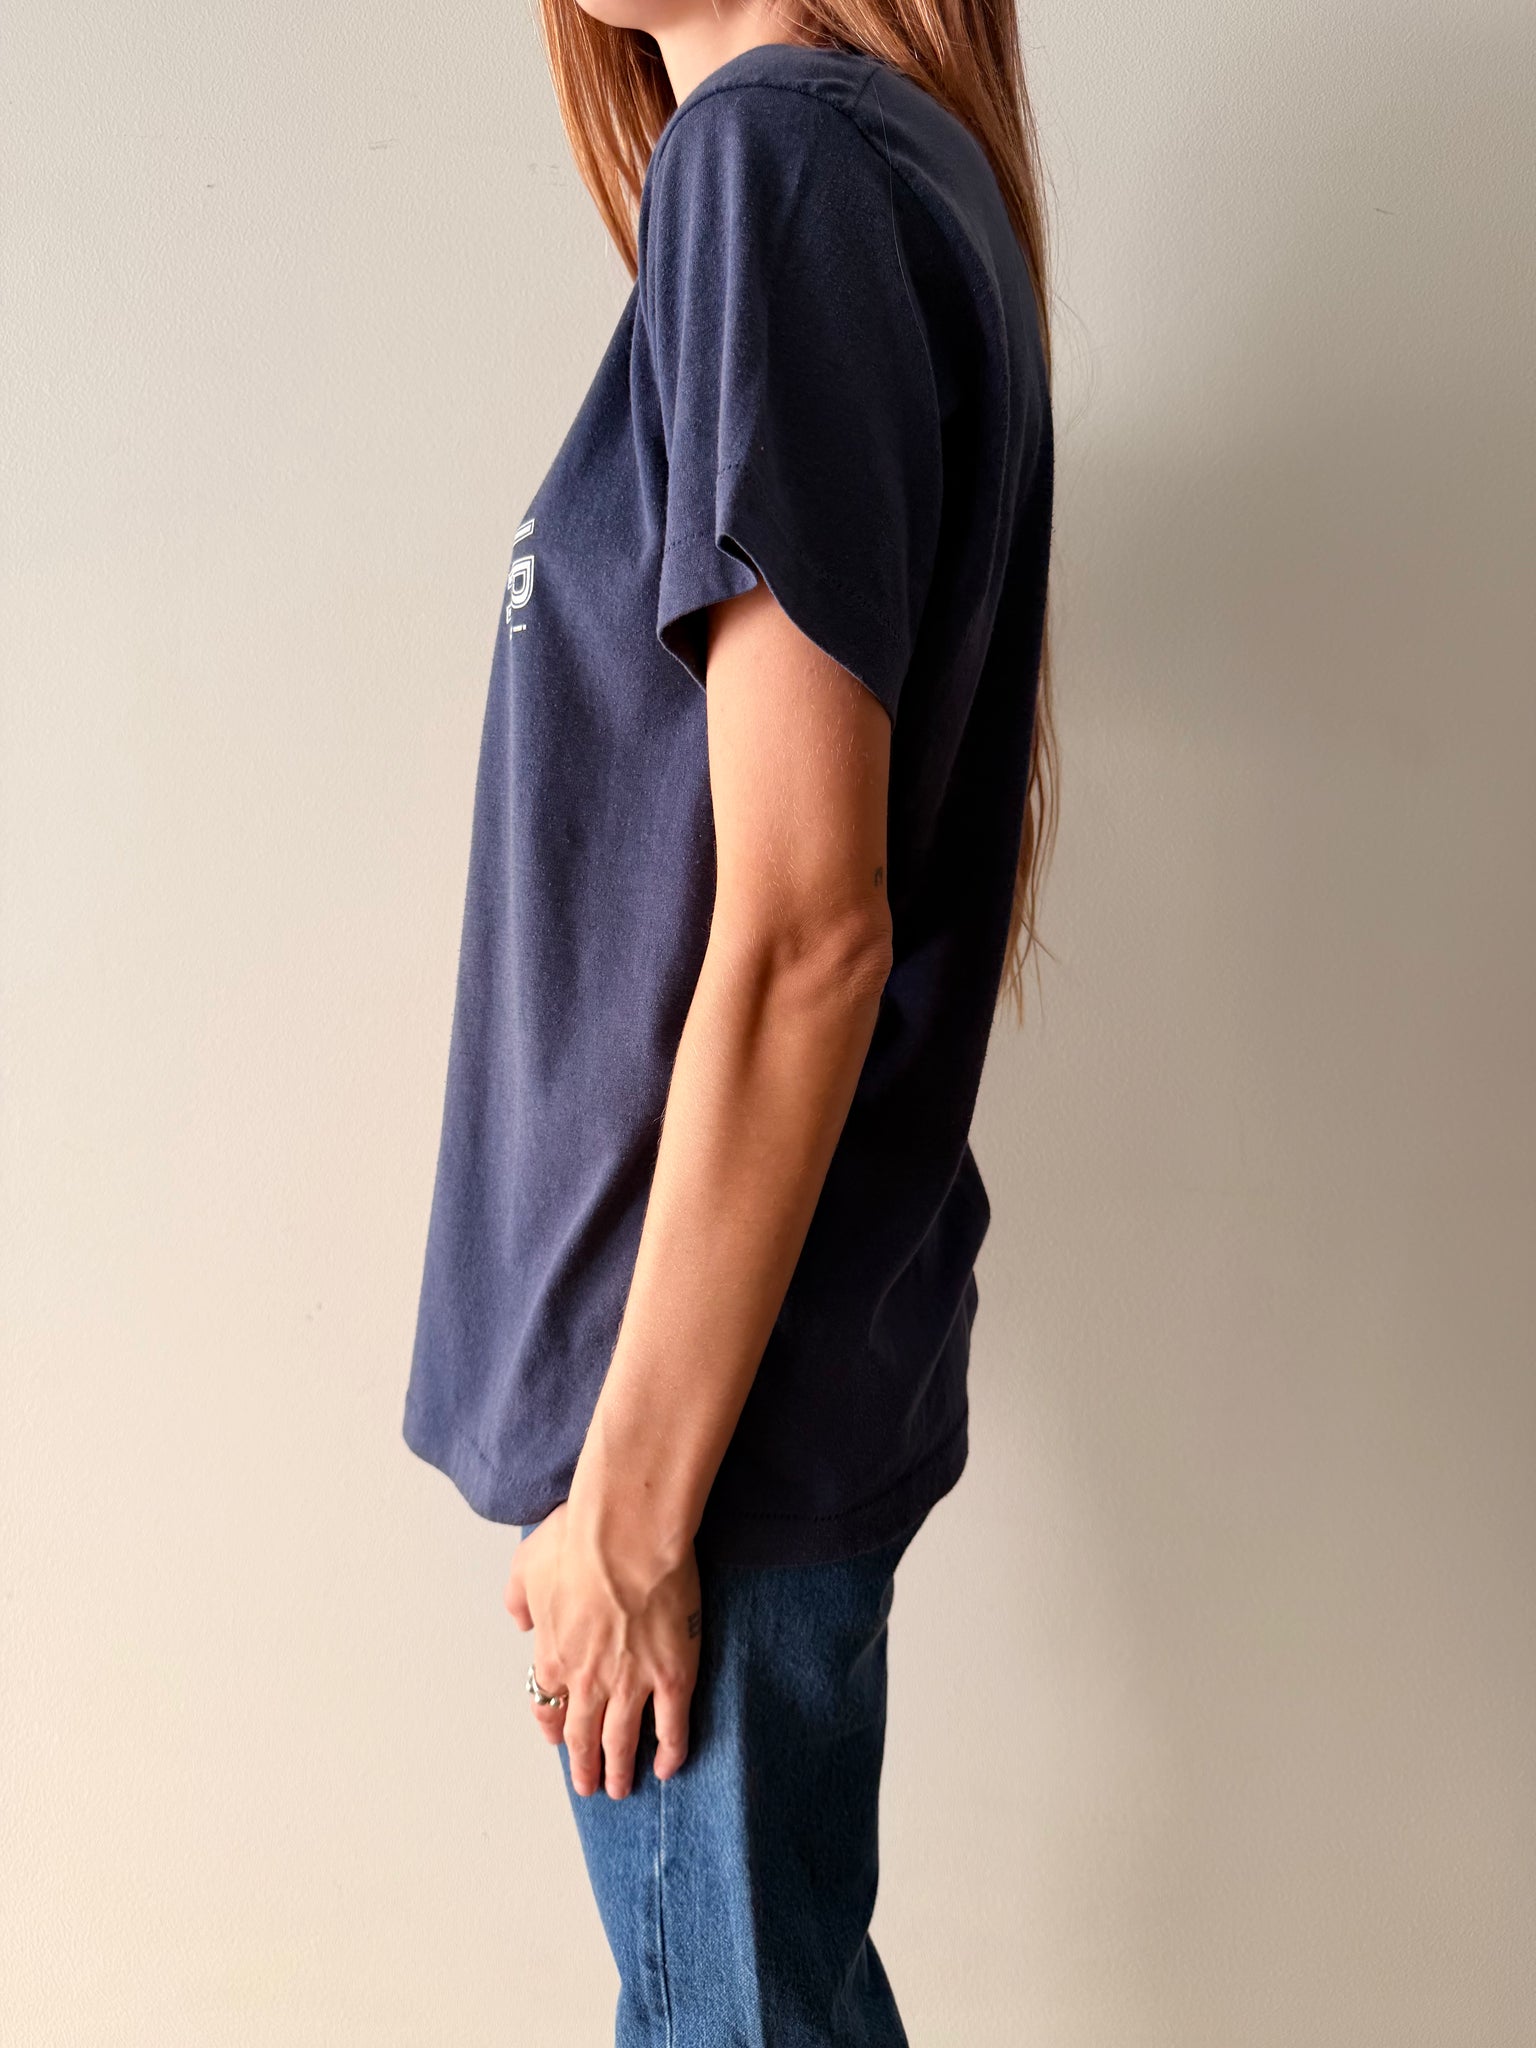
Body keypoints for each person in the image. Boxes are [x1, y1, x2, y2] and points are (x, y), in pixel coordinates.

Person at [402, 0, 1055, 2038]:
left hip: (696, 1435)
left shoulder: (770, 164)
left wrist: (633, 1503)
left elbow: (806, 931)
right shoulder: (851, 169)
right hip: (719, 1411)